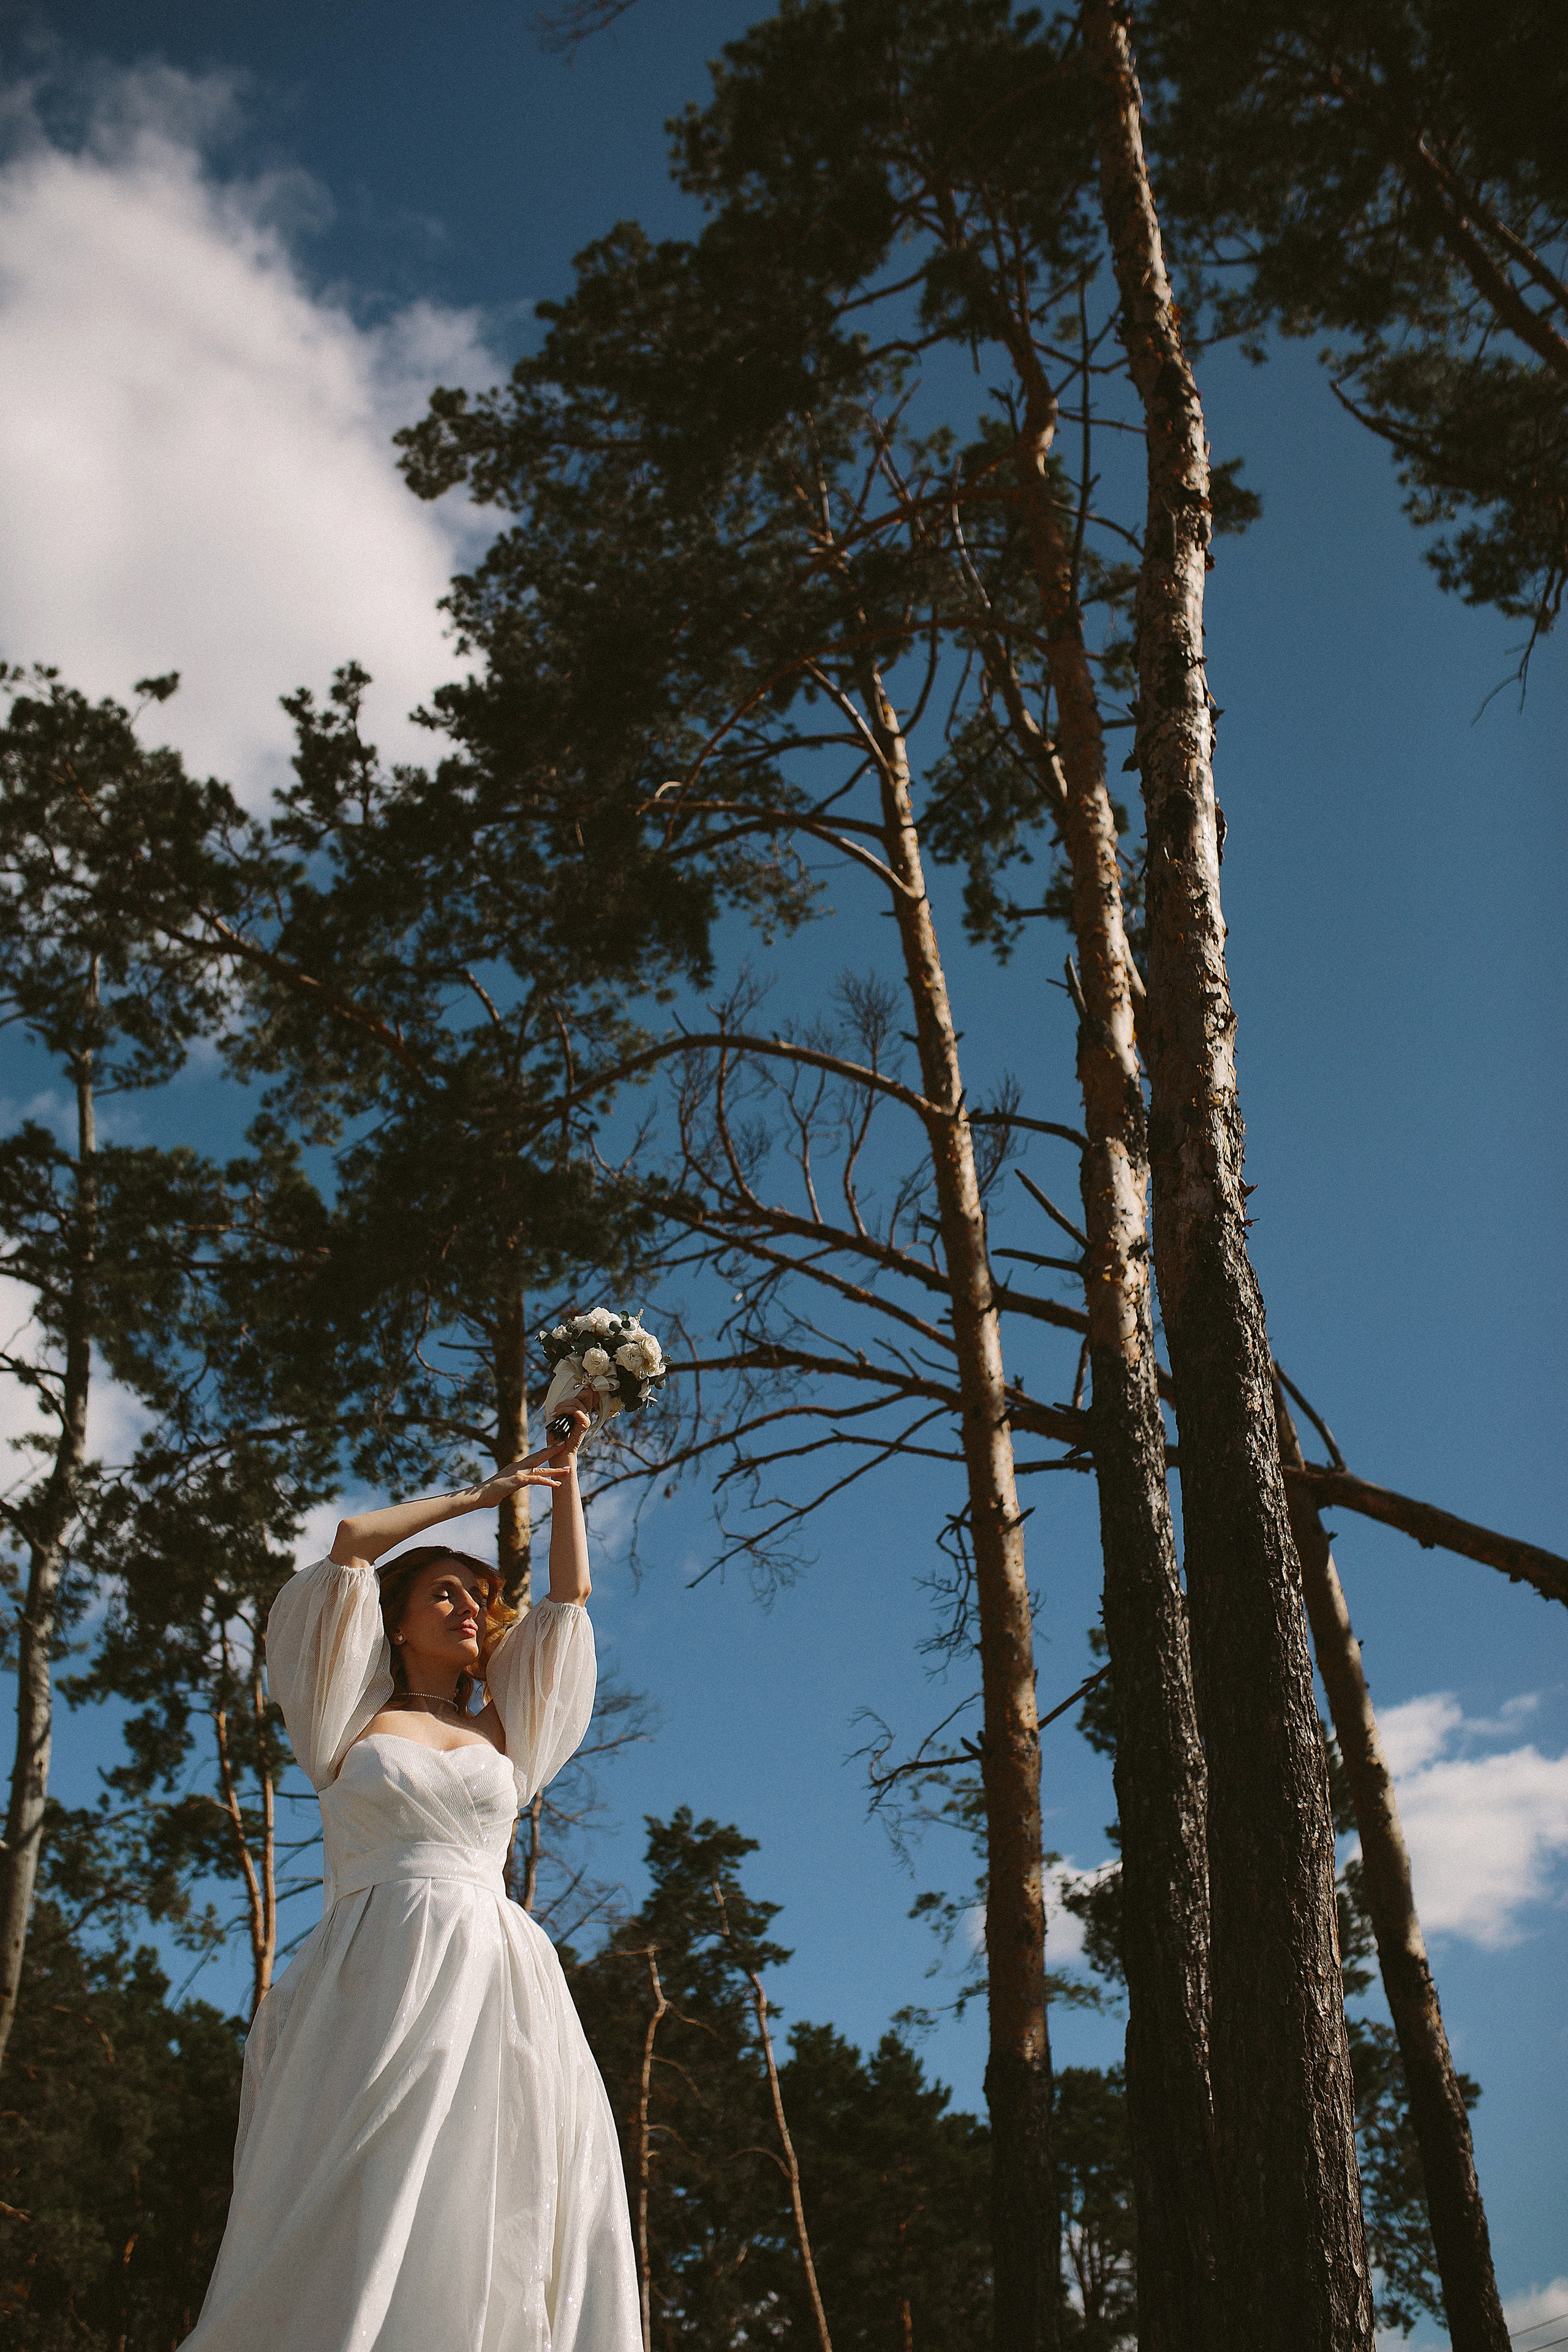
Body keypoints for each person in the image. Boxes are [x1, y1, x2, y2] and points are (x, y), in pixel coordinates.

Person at [181, 1395, 641, 2351]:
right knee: (354, 2185)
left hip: (493, 1975)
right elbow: (351, 1542)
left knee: (490, 2191)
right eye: (445, 1594)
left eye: (479, 1600)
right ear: (393, 1625)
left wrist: (566, 1469)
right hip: (374, 1968)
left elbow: (569, 1604)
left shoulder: (505, 1729)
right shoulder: (345, 1717)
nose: (471, 1609)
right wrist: (485, 1491)